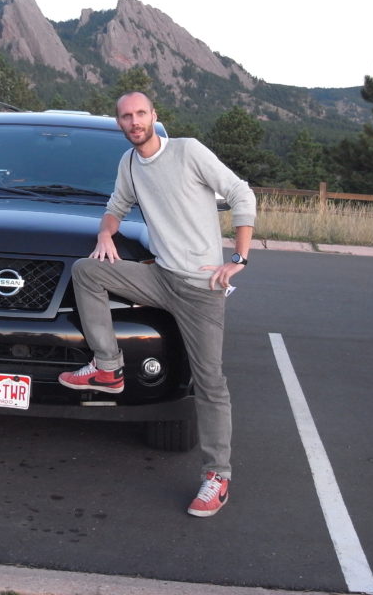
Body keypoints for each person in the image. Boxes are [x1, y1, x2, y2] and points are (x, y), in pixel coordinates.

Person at [58, 91, 256, 517]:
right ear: (120, 124)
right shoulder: (129, 164)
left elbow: (242, 195)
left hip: (202, 288)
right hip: (160, 277)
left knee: (209, 383)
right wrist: (106, 233)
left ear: (154, 116)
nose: (134, 121)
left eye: (141, 114)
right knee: (87, 271)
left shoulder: (188, 152)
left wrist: (238, 258)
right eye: (126, 116)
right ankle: (108, 368)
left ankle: (217, 476)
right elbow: (115, 208)